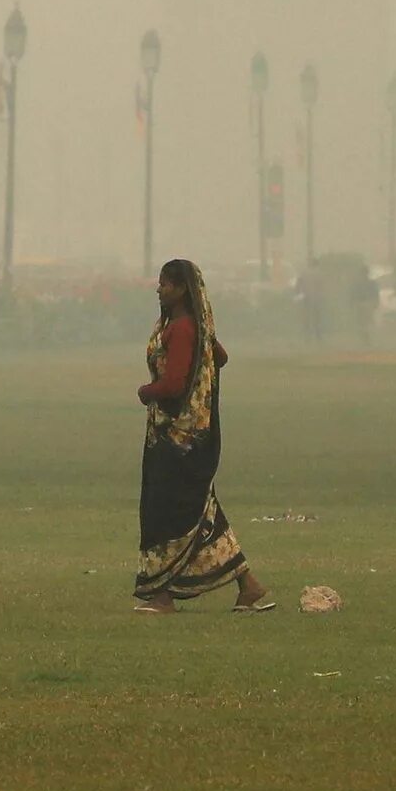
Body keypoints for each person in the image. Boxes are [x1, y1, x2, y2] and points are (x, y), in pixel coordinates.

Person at [133, 259, 273, 614]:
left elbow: (175, 384)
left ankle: (164, 595)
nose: (159, 289)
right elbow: (219, 357)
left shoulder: (182, 329)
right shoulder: (195, 327)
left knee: (168, 513)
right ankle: (248, 584)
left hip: (179, 440)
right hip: (195, 436)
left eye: (165, 284)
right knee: (201, 511)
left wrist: (147, 391)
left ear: (182, 289)